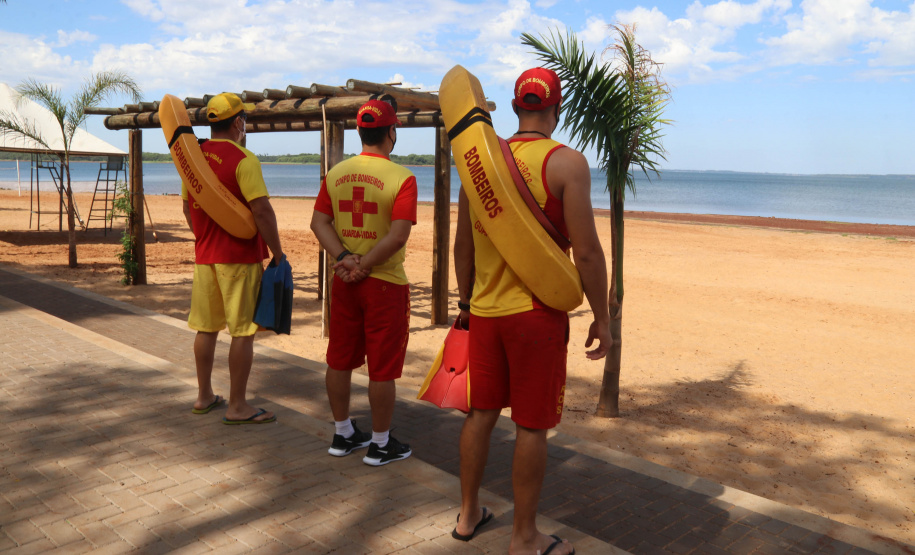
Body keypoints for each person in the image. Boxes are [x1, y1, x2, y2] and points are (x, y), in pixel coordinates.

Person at [451, 68, 612, 555]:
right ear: (556, 109)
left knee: (480, 414)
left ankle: (467, 515)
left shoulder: (478, 164)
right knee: (531, 425)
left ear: (516, 107)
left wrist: (466, 303)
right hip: (536, 314)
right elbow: (587, 253)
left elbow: (463, 247)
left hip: (485, 312)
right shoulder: (567, 164)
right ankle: (523, 537)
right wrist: (603, 318)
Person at [310, 98, 418, 466]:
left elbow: (319, 223)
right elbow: (398, 235)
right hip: (385, 283)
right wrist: (366, 265)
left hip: (344, 282)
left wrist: (345, 258)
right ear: (392, 132)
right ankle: (380, 443)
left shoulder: (336, 174)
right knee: (382, 367)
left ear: (359, 131)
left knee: (339, 359)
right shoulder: (402, 178)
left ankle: (342, 434)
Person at [183, 92, 284, 425]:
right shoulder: (244, 159)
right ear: (239, 122)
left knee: (206, 328)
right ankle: (238, 405)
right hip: (239, 258)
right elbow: (262, 211)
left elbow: (187, 207)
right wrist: (278, 252)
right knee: (242, 332)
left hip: (205, 257)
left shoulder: (193, 158)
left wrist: (203, 237)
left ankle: (204, 396)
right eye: (245, 121)